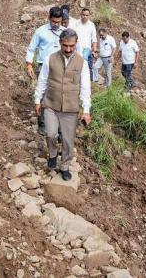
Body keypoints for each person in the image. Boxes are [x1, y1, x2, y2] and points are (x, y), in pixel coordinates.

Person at [34, 29, 91, 181]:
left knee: (67, 140)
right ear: (60, 43)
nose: (68, 49)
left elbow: (85, 87)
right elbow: (43, 80)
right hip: (51, 105)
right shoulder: (50, 59)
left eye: (71, 46)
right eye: (65, 45)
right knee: (51, 133)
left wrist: (86, 110)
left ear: (76, 44)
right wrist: (37, 100)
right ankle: (52, 155)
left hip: (70, 109)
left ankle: (65, 166)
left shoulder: (82, 63)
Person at [25, 6, 65, 135]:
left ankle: (58, 126)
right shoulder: (40, 31)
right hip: (44, 67)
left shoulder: (65, 32)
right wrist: (29, 64)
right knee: (43, 95)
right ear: (49, 18)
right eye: (54, 21)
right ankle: (42, 124)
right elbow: (31, 49)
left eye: (58, 22)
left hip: (61, 67)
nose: (56, 24)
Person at [73, 8, 98, 81]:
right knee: (86, 65)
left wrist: (95, 50)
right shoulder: (76, 23)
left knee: (84, 62)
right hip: (77, 48)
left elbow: (94, 38)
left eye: (87, 15)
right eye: (83, 15)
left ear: (89, 16)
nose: (85, 16)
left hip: (87, 48)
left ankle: (87, 81)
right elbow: (73, 36)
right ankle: (83, 80)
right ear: (81, 15)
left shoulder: (91, 25)